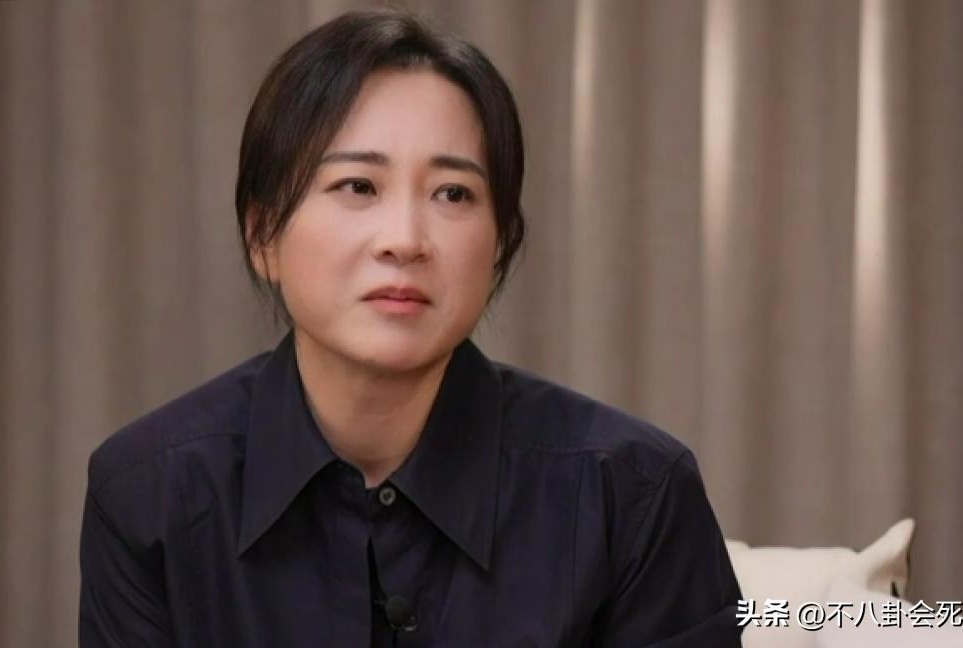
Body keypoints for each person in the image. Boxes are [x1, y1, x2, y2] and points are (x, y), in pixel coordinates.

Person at [78, 8, 743, 647]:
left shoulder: (632, 495)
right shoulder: (148, 495)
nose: (404, 239)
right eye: (358, 186)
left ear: (500, 245)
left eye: (453, 194)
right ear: (263, 237)